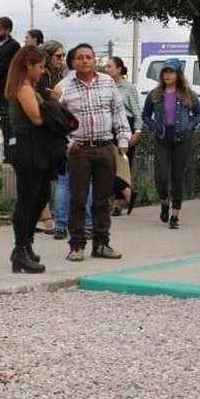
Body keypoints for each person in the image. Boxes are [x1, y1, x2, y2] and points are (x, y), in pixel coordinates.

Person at [56, 43, 131, 261]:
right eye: (80, 57)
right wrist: (68, 143)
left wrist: (123, 139)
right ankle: (77, 245)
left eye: (89, 57)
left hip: (105, 147)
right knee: (78, 198)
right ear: (73, 62)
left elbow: (118, 112)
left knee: (102, 198)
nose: (85, 60)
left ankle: (101, 243)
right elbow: (57, 119)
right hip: (80, 149)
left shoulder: (107, 82)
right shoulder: (64, 87)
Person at [4, 46, 51, 273]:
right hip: (26, 147)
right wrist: (53, 107)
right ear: (28, 66)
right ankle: (20, 250)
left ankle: (26, 245)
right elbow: (37, 117)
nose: (42, 71)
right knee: (27, 199)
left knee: (41, 195)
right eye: (40, 67)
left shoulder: (30, 87)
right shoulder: (22, 87)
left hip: (35, 147)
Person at [141, 59, 200, 229]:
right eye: (165, 72)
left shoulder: (188, 94)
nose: (167, 75)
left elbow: (199, 114)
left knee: (177, 177)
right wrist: (154, 127)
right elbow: (145, 115)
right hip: (162, 137)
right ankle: (164, 203)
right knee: (161, 176)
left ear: (178, 74)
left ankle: (175, 215)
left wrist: (189, 126)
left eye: (171, 72)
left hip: (182, 139)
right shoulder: (154, 95)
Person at [38, 41, 72, 238]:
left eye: (63, 55)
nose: (61, 59)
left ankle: (49, 218)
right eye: (58, 56)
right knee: (49, 177)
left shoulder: (59, 75)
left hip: (57, 131)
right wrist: (56, 97)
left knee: (58, 176)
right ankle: (47, 218)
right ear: (48, 56)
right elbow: (47, 101)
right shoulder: (43, 76)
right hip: (45, 132)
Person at [105, 57, 142, 216]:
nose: (106, 69)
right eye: (105, 67)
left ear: (119, 69)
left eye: (110, 66)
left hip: (126, 124)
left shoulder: (128, 88)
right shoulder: (104, 85)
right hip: (108, 126)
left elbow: (136, 111)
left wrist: (137, 131)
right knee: (107, 166)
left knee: (124, 167)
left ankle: (118, 204)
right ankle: (128, 193)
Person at [0, 16, 21, 146]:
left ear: (8, 30)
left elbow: (13, 66)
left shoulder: (14, 46)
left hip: (5, 87)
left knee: (6, 119)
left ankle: (9, 148)